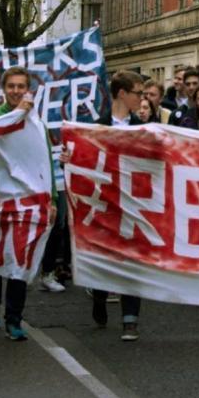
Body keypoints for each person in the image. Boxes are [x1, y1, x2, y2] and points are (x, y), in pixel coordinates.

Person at [62, 70, 146, 341]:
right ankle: (99, 295)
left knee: (133, 259)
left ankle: (130, 319)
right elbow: (83, 160)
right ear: (122, 93)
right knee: (105, 257)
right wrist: (70, 158)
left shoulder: (143, 129)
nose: (141, 99)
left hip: (134, 204)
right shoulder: (97, 128)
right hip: (105, 203)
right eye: (138, 93)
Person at [0, 66, 51, 340]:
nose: (16, 91)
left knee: (20, 259)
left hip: (26, 201)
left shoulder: (37, 123)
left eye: (21, 86)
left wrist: (51, 198)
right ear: (3, 89)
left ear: (27, 89)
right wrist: (18, 113)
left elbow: (44, 160)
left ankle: (14, 318)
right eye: (12, 86)